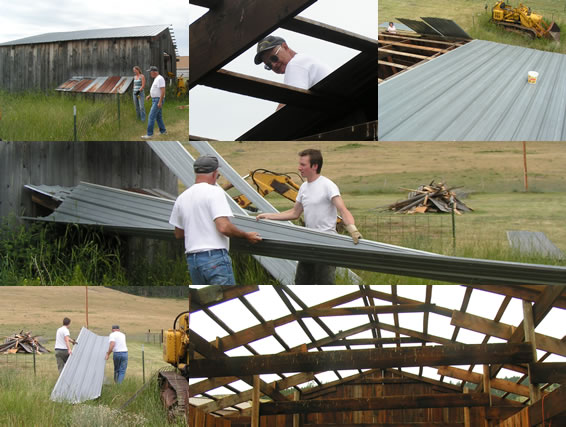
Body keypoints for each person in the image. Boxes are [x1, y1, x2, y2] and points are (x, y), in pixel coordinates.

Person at [256, 149, 362, 285]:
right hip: (307, 242)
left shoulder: (328, 186)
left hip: (326, 243)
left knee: (325, 283)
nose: (299, 168)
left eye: (303, 165)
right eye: (299, 164)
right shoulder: (304, 187)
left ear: (315, 166)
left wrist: (353, 230)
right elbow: (294, 213)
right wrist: (269, 216)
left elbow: (343, 209)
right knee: (301, 282)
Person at [169, 155, 262, 285]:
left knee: (207, 300)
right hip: (215, 258)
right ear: (215, 173)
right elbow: (223, 227)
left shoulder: (182, 197)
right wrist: (246, 235)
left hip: (193, 261)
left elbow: (178, 233)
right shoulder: (214, 192)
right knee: (228, 299)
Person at [254, 35, 332, 110]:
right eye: (268, 65)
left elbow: (291, 101)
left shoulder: (295, 63)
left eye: (274, 58)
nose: (273, 65)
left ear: (285, 47)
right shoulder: (304, 61)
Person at [141, 66, 166, 139]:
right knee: (158, 117)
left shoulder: (160, 79)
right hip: (155, 99)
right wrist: (150, 95)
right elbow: (156, 90)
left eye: (150, 72)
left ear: (154, 72)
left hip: (158, 100)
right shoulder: (156, 79)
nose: (150, 74)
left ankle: (149, 134)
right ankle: (163, 131)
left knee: (151, 117)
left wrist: (160, 102)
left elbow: (163, 91)